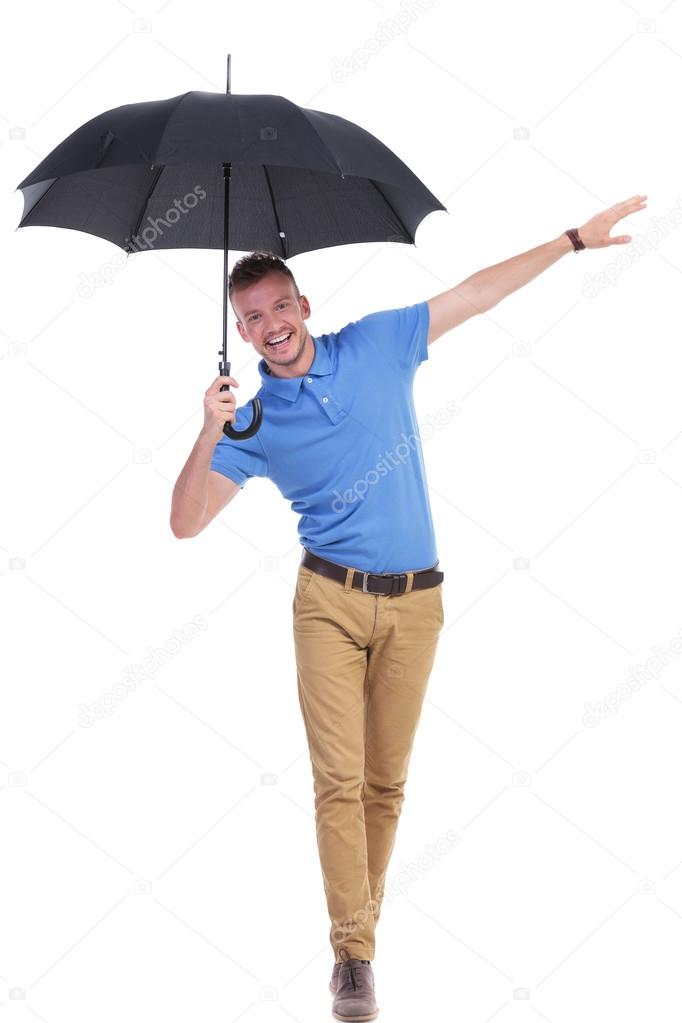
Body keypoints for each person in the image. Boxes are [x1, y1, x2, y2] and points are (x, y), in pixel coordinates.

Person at [170, 194, 647, 1021]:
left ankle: (360, 937)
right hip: (326, 602)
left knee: (385, 786)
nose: (272, 322)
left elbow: (474, 293)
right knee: (339, 783)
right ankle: (354, 959)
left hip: (418, 602)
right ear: (241, 334)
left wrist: (571, 240)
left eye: (281, 304)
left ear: (304, 306)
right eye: (253, 317)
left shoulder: (378, 345)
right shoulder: (249, 420)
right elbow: (184, 523)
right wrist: (206, 430)